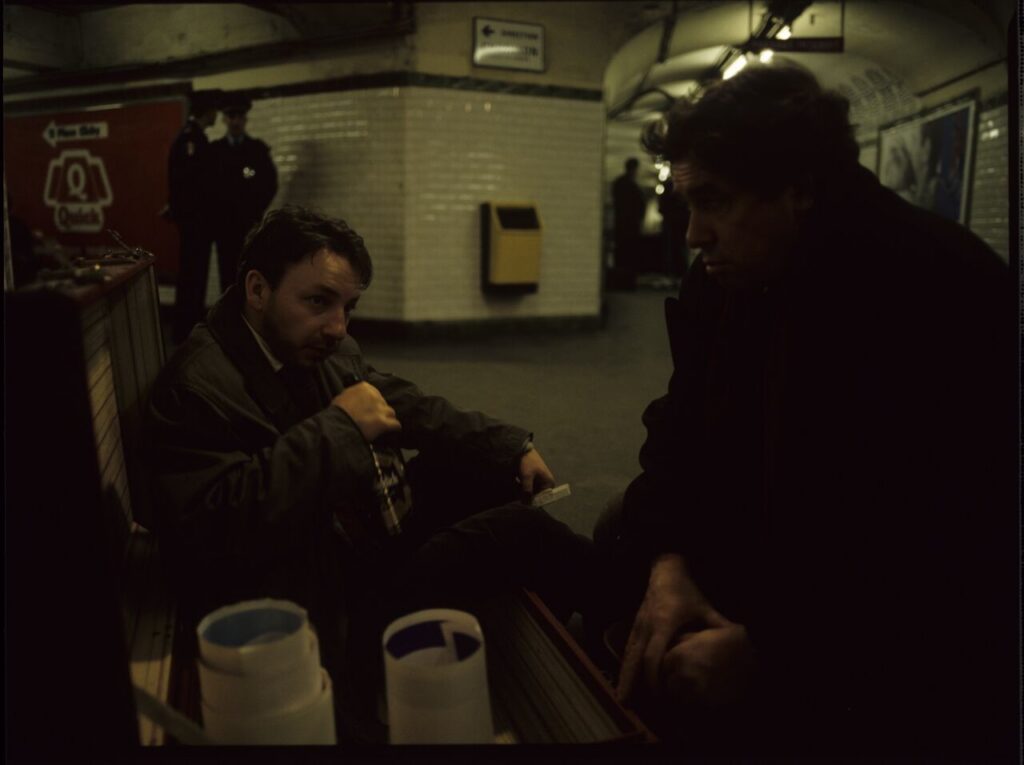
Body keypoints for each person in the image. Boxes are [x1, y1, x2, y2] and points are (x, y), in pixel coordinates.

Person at [597, 64, 1016, 759]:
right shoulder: (726, 280)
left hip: (877, 653)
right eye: (685, 204)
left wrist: (771, 654)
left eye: (716, 202)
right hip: (759, 575)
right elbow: (679, 424)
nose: (693, 236)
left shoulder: (946, 293)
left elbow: (956, 544)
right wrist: (669, 560)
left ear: (801, 190)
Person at [144, 205, 601, 741]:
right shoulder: (196, 389)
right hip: (332, 602)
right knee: (519, 532)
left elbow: (403, 404)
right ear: (257, 289)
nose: (338, 327)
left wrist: (508, 445)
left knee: (485, 475)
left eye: (348, 306)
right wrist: (342, 427)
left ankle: (573, 625)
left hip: (361, 536)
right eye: (318, 301)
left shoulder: (310, 345)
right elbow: (217, 531)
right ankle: (624, 623)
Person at [167, 89, 221, 344]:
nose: (217, 115)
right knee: (192, 277)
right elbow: (191, 184)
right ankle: (186, 331)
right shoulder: (192, 140)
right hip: (196, 222)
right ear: (207, 111)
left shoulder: (192, 137)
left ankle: (187, 328)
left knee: (193, 275)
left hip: (195, 222)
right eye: (215, 110)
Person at [210, 94, 278, 293]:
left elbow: (269, 184)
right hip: (224, 224)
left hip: (249, 222)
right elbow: (208, 187)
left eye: (239, 116)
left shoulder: (257, 150)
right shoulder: (215, 151)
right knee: (227, 271)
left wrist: (255, 209)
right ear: (224, 119)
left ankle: (247, 316)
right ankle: (228, 316)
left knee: (249, 269)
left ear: (245, 119)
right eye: (231, 116)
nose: (235, 121)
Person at [611, 157, 647, 288]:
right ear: (634, 169)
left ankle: (619, 282)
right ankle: (628, 283)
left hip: (620, 225)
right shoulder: (633, 186)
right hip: (631, 227)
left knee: (621, 255)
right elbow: (641, 205)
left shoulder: (618, 183)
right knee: (631, 256)